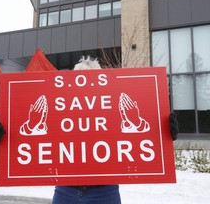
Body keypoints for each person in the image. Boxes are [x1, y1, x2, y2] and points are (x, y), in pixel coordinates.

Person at [51, 56, 179, 204]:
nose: (85, 85)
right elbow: (38, 142)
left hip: (104, 192)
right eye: (79, 79)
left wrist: (163, 133)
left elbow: (137, 139)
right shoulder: (61, 114)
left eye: (91, 79)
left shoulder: (113, 112)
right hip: (65, 191)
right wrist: (18, 134)